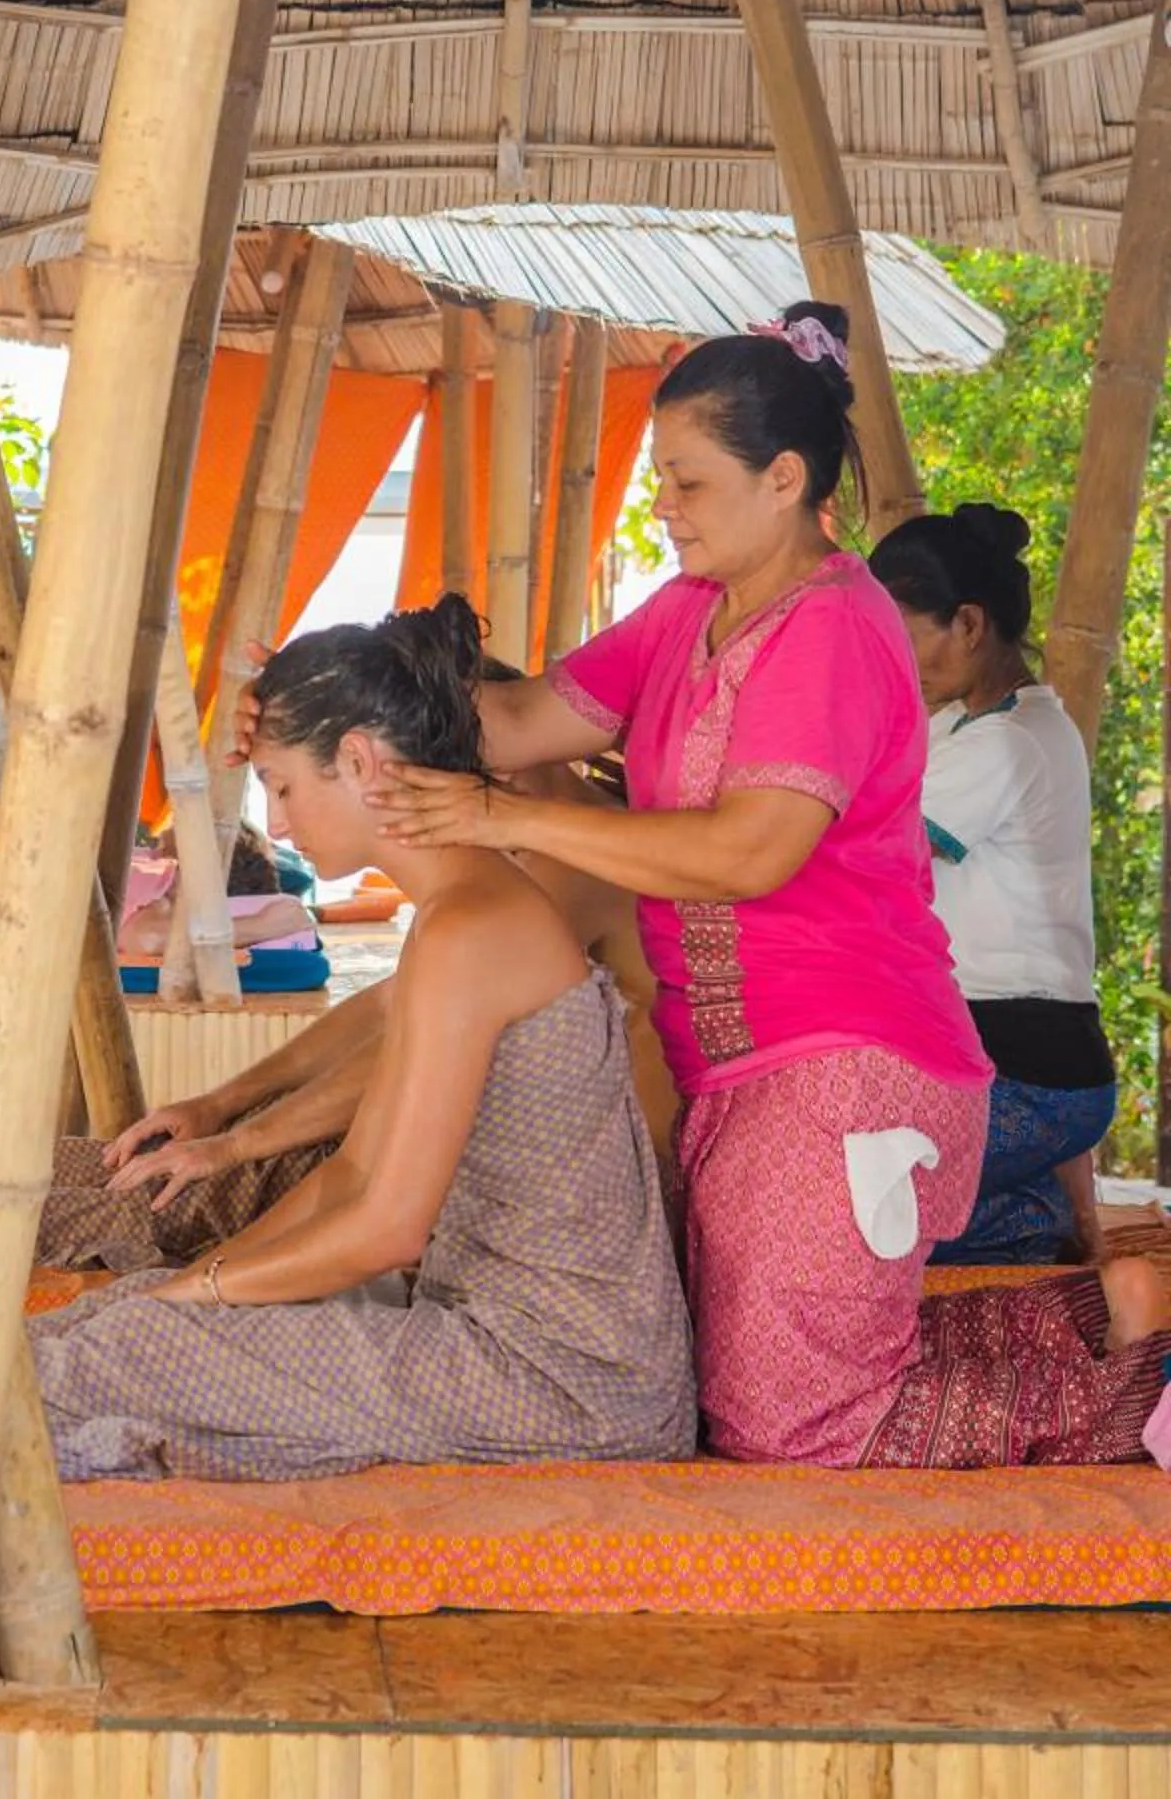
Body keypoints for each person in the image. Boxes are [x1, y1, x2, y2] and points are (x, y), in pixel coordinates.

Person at [0, 596, 696, 1479]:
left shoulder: (482, 925)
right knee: (126, 1315)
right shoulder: (467, 917)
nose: (284, 820)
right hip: (506, 1342)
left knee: (143, 1338)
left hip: (565, 1382)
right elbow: (355, 1172)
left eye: (285, 786)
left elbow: (385, 1226)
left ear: (360, 764)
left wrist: (199, 1298)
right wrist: (202, 1276)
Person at [367, 304, 1171, 1470]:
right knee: (750, 1389)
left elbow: (750, 851)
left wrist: (502, 816)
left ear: (782, 477)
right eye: (661, 480)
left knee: (788, 1432)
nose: (661, 505)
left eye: (685, 483)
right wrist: (341, 700)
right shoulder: (690, 609)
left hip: (846, 1064)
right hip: (742, 1067)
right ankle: (1096, 1320)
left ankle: (1127, 1378)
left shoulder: (833, 626)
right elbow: (522, 718)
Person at [868, 505, 1115, 1265]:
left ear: (969, 625)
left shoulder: (1012, 744)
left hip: (1032, 1073)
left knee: (868, 1218)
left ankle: (1031, 1224)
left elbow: (869, 855)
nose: (894, 663)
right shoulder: (963, 727)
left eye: (903, 639)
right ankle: (1032, 1217)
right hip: (1002, 1055)